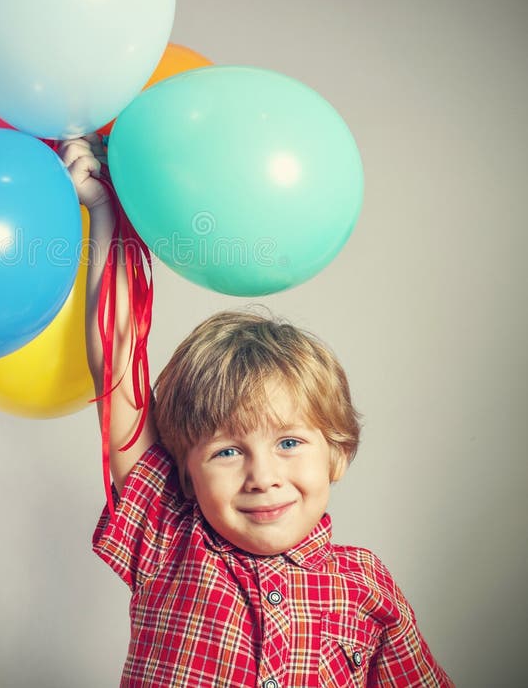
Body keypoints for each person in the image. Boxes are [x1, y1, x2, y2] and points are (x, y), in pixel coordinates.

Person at [60, 135, 454, 688]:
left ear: (336, 453)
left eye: (289, 442)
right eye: (226, 451)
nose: (263, 478)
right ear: (185, 472)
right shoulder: (167, 540)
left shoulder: (367, 587)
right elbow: (120, 360)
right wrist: (107, 210)